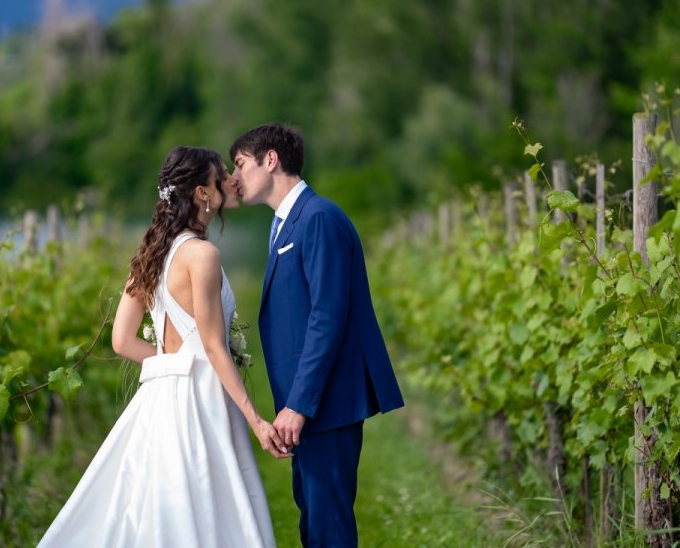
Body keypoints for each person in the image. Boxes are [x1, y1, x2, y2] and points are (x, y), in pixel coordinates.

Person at [38, 146, 289, 548]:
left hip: (158, 401)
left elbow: (122, 341)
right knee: (210, 506)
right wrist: (256, 420)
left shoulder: (153, 254)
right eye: (221, 175)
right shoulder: (202, 255)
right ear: (202, 194)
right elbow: (212, 346)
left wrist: (172, 362)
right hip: (199, 402)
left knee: (160, 506)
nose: (229, 181)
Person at [230, 123, 405, 547]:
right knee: (313, 519)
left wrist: (300, 405)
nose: (233, 178)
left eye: (239, 164)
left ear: (270, 160)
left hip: (326, 403)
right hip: (309, 407)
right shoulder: (285, 224)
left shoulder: (320, 218)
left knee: (328, 527)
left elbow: (327, 317)